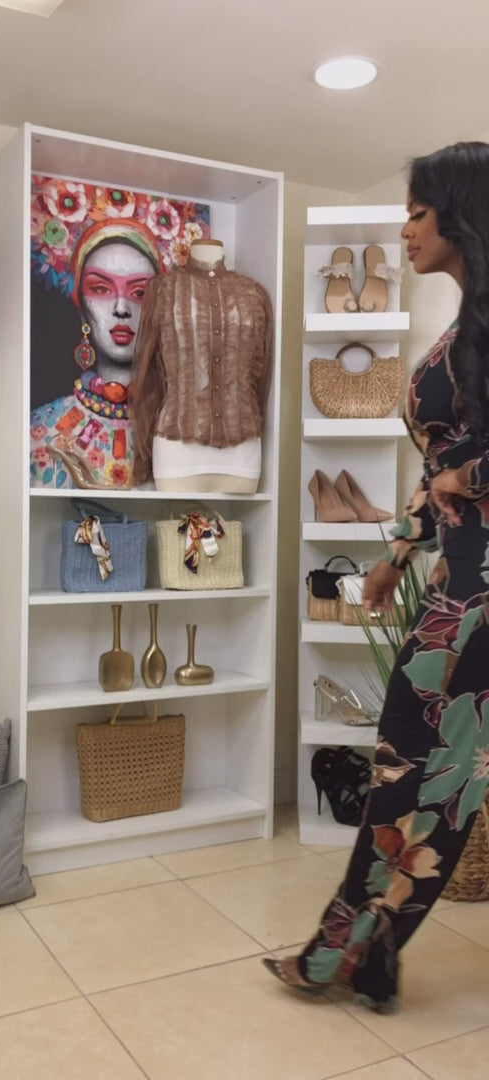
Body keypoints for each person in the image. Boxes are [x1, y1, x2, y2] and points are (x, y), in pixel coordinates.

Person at [265, 141, 489, 1013]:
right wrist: (398, 553)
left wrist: (463, 479)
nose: (404, 231)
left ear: (460, 214)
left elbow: (456, 469)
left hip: (477, 596)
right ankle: (370, 951)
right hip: (458, 584)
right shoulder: (466, 328)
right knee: (433, 775)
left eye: (417, 213)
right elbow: (444, 464)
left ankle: (345, 954)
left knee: (418, 771)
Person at [30, 219, 162, 489]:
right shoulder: (42, 431)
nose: (121, 308)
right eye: (101, 289)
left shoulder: (173, 427)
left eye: (140, 292)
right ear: (81, 307)